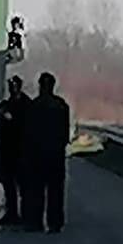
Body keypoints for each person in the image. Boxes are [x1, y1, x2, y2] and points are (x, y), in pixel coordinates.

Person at [23, 71, 71, 233]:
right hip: (56, 154)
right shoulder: (61, 105)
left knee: (36, 190)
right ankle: (55, 222)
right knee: (56, 191)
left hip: (37, 154)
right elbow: (65, 131)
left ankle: (35, 221)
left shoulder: (33, 106)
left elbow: (28, 131)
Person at [0, 75, 30, 224]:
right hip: (8, 149)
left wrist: (11, 119)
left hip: (22, 149)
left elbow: (27, 126)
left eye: (14, 86)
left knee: (23, 186)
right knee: (9, 185)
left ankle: (25, 215)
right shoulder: (7, 104)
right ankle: (12, 214)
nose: (12, 89)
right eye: (10, 86)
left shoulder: (26, 104)